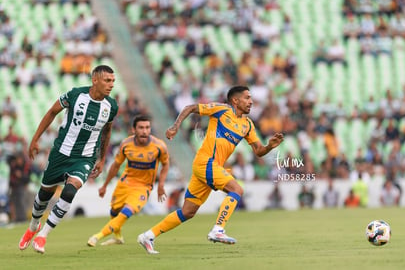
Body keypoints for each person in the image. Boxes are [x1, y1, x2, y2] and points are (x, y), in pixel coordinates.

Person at [138, 85, 284, 254]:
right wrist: (175, 126)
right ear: (235, 100)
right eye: (247, 98)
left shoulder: (248, 125)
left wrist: (269, 147)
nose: (251, 102)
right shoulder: (222, 110)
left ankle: (148, 235)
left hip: (210, 167)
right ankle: (218, 229)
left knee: (187, 212)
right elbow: (190, 107)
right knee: (236, 189)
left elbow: (258, 151)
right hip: (205, 162)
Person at [18, 65, 118, 254]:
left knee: (70, 191)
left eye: (113, 81)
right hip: (61, 153)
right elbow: (51, 112)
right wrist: (35, 139)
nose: (111, 85)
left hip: (85, 158)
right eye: (107, 80)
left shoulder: (111, 106)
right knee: (44, 195)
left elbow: (107, 131)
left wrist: (102, 159)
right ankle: (33, 227)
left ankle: (43, 236)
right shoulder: (75, 95)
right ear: (94, 80)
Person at [87, 115, 170, 247]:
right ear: (133, 129)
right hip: (125, 183)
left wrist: (160, 185)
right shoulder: (126, 144)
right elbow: (115, 165)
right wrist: (104, 185)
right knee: (114, 212)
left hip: (143, 187)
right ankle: (118, 237)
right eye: (141, 128)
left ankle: (97, 236)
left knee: (126, 212)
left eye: (147, 127)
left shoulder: (159, 146)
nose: (145, 131)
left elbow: (165, 164)